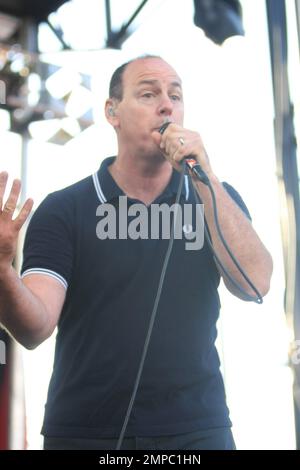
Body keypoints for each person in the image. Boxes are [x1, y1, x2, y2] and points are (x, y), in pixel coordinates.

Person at [0, 55, 273, 450]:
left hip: (197, 430)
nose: (167, 104)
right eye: (148, 93)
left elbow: (255, 283)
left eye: (175, 95)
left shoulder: (214, 199)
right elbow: (34, 326)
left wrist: (206, 176)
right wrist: (3, 270)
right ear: (112, 112)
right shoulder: (66, 209)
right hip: (85, 433)